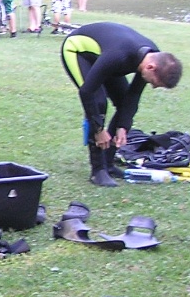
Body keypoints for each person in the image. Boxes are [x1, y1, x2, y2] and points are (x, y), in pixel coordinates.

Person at [60, 23, 183, 187]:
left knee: (122, 102)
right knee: (98, 102)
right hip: (77, 50)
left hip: (105, 58)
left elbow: (132, 97)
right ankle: (98, 171)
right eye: (154, 82)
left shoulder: (152, 55)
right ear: (151, 67)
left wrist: (123, 126)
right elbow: (86, 92)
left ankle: (108, 164)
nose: (152, 86)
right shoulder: (118, 56)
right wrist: (99, 130)